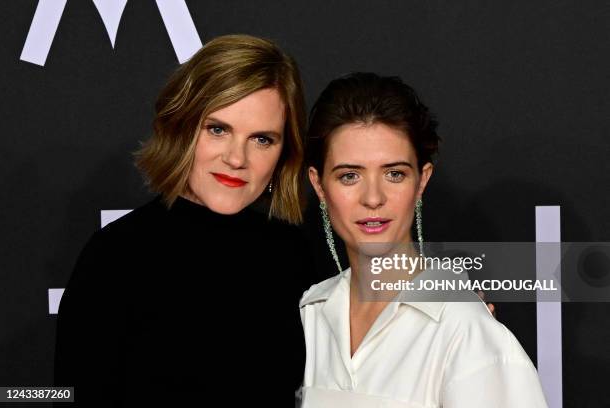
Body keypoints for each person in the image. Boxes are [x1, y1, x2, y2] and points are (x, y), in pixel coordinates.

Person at [54, 34, 315, 406]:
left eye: (261, 139)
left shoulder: (294, 255)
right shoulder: (116, 256)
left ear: (283, 152)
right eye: (218, 129)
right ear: (182, 128)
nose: (236, 158)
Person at [300, 72, 548, 407]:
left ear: (421, 181)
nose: (373, 198)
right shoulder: (309, 316)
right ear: (319, 186)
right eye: (349, 175)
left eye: (394, 174)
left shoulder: (465, 331)